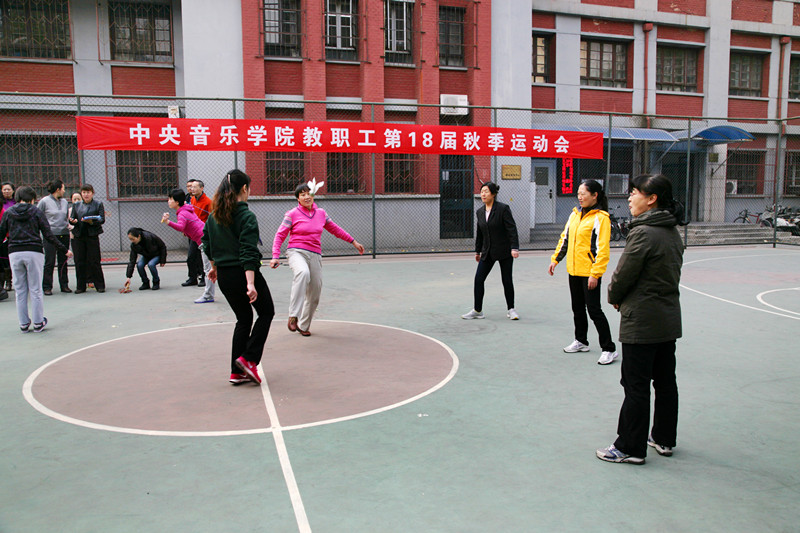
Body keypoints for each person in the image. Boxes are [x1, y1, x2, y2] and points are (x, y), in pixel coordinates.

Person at [596, 174, 685, 465]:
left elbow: (624, 274)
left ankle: (629, 447)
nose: (630, 197)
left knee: (635, 384)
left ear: (652, 199)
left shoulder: (644, 232)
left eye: (635, 192)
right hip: (667, 318)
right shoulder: (671, 231)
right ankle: (663, 438)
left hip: (642, 320)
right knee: (665, 381)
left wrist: (614, 296)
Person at [202, 170, 274, 385]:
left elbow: (207, 244)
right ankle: (249, 359)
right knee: (266, 312)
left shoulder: (214, 216)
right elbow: (248, 251)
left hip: (225, 276)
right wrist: (250, 283)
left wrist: (215, 267)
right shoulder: (246, 216)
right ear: (244, 188)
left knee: (243, 319)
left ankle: (236, 371)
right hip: (243, 273)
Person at [270, 181, 365, 336]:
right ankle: (293, 315)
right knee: (302, 273)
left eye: (309, 193)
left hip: (315, 254)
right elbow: (280, 235)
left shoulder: (321, 213)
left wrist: (353, 241)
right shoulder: (292, 214)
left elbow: (335, 229)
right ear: (298, 199)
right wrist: (275, 256)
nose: (307, 196)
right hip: (296, 252)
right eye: (303, 194)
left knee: (315, 293)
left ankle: (303, 325)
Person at [548, 179, 618, 365]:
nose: (580, 197)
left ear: (595, 196)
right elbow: (565, 238)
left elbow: (602, 249)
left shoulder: (601, 218)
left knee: (594, 310)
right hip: (574, 270)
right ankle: (581, 341)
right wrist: (555, 259)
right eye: (578, 193)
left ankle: (609, 349)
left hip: (589, 273)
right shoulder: (575, 214)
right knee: (577, 308)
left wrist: (595, 274)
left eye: (583, 193)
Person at [0, 186, 73, 332]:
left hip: (14, 253)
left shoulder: (8, 212)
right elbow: (48, 234)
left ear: (17, 197)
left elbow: (1, 233)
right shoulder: (36, 211)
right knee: (35, 289)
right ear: (32, 199)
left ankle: (23, 323)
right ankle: (38, 322)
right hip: (34, 251)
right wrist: (64, 249)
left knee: (20, 290)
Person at [461, 181, 520, 320]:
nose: (483, 194)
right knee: (478, 279)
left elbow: (511, 229)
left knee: (507, 280)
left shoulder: (503, 209)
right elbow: (480, 233)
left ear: (493, 194)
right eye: (482, 191)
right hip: (487, 251)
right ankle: (477, 310)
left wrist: (514, 248)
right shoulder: (480, 212)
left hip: (504, 251)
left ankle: (511, 309)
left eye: (486, 191)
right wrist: (477, 251)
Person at [161, 188, 215, 303]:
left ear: (177, 202)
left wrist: (167, 222)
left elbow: (181, 227)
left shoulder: (182, 213)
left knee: (208, 270)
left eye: (170, 199)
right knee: (211, 268)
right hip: (206, 239)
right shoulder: (185, 209)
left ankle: (208, 295)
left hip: (205, 241)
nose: (168, 201)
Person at [69, 184, 106, 293]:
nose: (86, 195)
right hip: (79, 235)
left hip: (92, 235)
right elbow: (72, 218)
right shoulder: (76, 205)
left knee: (94, 261)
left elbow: (102, 219)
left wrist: (91, 221)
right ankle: (80, 286)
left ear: (92, 193)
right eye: (84, 192)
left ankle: (99, 285)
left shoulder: (98, 204)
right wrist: (73, 221)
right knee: (79, 261)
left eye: (88, 192)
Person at [37, 180, 72, 295]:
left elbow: (66, 217)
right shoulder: (44, 202)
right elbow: (38, 216)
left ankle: (64, 285)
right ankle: (47, 286)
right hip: (50, 236)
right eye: (63, 188)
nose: (64, 191)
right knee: (50, 261)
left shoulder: (65, 202)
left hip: (64, 234)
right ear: (58, 189)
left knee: (63, 261)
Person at [184, 179, 213, 287]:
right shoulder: (191, 200)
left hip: (203, 234)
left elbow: (211, 218)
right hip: (193, 233)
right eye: (191, 187)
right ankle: (192, 278)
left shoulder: (208, 202)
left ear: (201, 188)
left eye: (195, 187)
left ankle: (204, 278)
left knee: (203, 258)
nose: (192, 189)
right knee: (191, 256)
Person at [1, 181, 16, 292]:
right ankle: (5, 282)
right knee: (4, 259)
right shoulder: (1, 203)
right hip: (3, 234)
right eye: (4, 189)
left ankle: (11, 281)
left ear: (13, 191)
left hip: (14, 234)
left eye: (8, 189)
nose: (6, 191)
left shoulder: (16, 202)